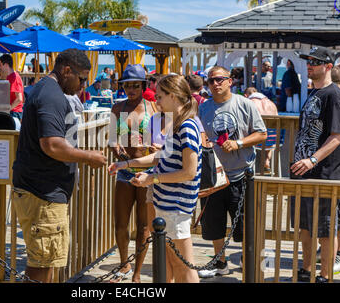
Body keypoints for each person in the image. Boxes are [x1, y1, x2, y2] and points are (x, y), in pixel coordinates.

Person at [11, 48, 107, 283]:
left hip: (41, 191)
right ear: (66, 70)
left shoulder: (45, 89)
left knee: (45, 261)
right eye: (81, 78)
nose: (83, 86)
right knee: (41, 264)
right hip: (42, 194)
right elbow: (52, 145)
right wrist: (89, 157)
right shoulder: (52, 96)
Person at [109, 74, 202, 283]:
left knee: (183, 267)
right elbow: (160, 156)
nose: (156, 102)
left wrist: (153, 179)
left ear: (174, 96)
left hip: (176, 207)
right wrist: (126, 164)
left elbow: (189, 171)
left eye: (160, 97)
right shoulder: (178, 125)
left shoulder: (187, 127)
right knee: (169, 263)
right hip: (168, 206)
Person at [197, 66, 267, 278]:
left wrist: (238, 143)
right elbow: (199, 133)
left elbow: (262, 134)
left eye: (219, 79)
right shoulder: (203, 108)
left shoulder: (244, 104)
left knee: (245, 224)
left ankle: (248, 259)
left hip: (241, 174)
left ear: (230, 81)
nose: (215, 84)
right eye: (211, 81)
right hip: (213, 176)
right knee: (213, 223)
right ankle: (220, 262)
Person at [291, 46, 340, 283]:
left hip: (325, 173)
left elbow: (338, 135)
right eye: (308, 61)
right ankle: (307, 269)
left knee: (325, 228)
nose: (309, 65)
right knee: (304, 225)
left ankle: (324, 275)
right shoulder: (313, 93)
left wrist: (312, 159)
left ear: (329, 66)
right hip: (303, 172)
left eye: (315, 61)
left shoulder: (334, 95)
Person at [107, 64, 156, 283]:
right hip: (125, 172)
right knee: (121, 223)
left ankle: (137, 273)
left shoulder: (154, 108)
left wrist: (156, 147)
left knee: (144, 226)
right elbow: (110, 139)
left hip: (147, 172)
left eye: (136, 85)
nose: (131, 89)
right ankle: (124, 263)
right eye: (127, 86)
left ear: (143, 85)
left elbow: (165, 141)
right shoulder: (117, 109)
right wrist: (116, 148)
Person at [244, 87, 278, 173]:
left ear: (246, 95)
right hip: (272, 140)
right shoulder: (271, 103)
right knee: (269, 133)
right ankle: (267, 160)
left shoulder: (249, 103)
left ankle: (245, 169)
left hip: (257, 140)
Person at [0, 54, 24, 121]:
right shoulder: (10, 77)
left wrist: (7, 109)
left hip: (14, 113)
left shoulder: (14, 77)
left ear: (6, 65)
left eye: (0, 65)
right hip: (12, 111)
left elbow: (19, 99)